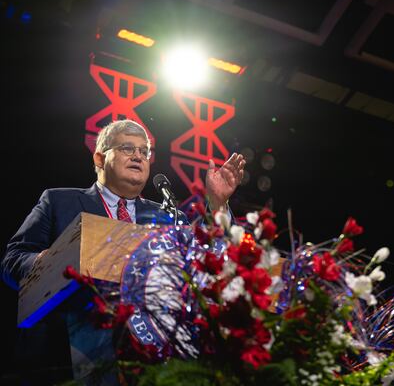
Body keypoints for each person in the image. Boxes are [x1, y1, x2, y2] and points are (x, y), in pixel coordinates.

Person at [1, 119, 245, 383]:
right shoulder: (59, 201)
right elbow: (13, 260)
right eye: (128, 148)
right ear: (99, 158)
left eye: (144, 152)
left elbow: (208, 263)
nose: (138, 156)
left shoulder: (169, 218)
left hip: (154, 365)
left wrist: (218, 205)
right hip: (67, 355)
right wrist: (49, 261)